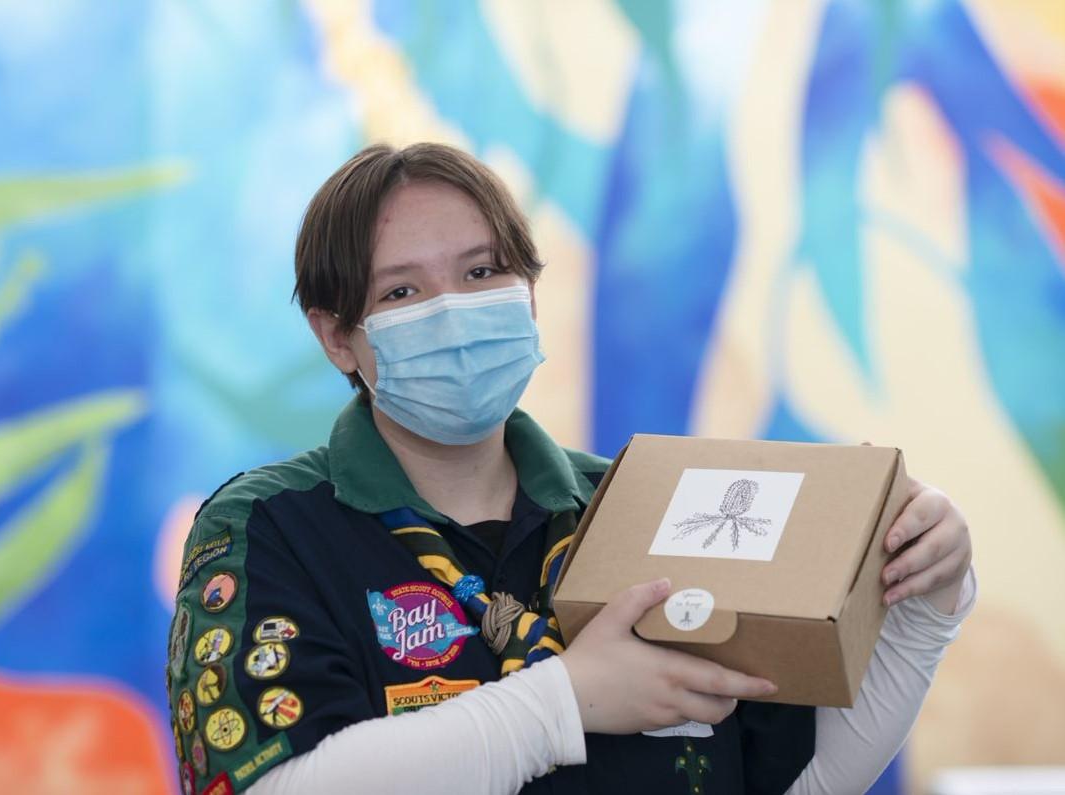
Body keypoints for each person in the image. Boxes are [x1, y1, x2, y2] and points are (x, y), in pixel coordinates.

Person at [165, 143, 975, 795]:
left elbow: (797, 780)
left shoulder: (647, 505)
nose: (455, 310)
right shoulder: (270, 528)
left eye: (482, 272)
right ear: (337, 336)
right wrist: (567, 700)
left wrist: (926, 601)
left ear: (529, 294)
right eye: (403, 291)